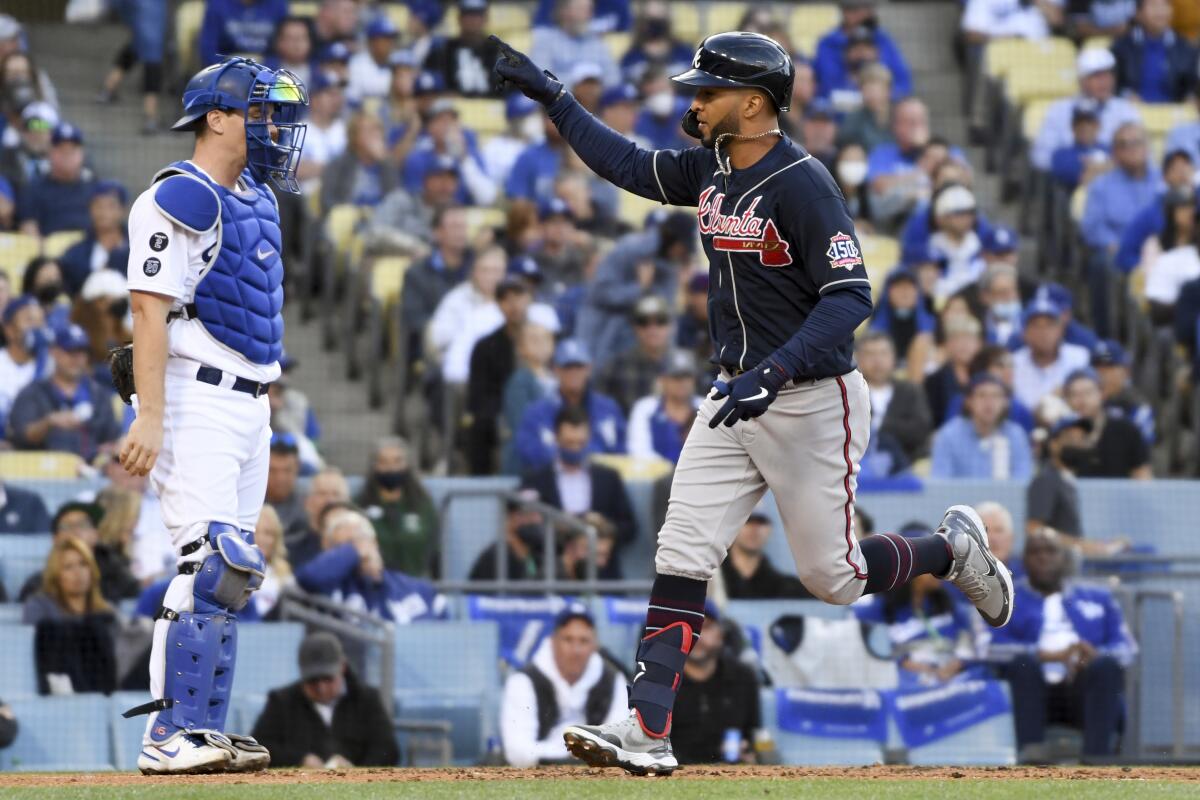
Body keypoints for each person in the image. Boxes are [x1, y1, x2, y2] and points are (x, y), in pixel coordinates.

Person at [490, 31, 1014, 775]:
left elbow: (850, 297)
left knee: (833, 579)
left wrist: (776, 368)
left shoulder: (805, 183)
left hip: (810, 399)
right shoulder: (711, 166)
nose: (695, 102)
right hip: (735, 393)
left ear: (756, 103)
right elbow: (630, 166)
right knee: (681, 551)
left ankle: (950, 551)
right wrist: (558, 100)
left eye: (707, 91)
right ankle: (648, 730)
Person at [116, 56, 309, 774]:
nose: (276, 126)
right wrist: (151, 417)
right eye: (261, 111)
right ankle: (168, 733)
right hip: (195, 395)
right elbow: (147, 309)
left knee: (235, 569)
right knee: (208, 560)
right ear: (218, 117)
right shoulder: (179, 196)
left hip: (251, 401)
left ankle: (203, 728)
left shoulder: (257, 195)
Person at [989, 530, 1136, 761]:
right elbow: (989, 649)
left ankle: (1097, 763)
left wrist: (1095, 655)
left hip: (1081, 687)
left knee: (1105, 666)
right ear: (1024, 560)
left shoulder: (1099, 598)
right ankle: (1031, 759)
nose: (1043, 557)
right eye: (1035, 552)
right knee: (1023, 664)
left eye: (1050, 551)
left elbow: (1127, 649)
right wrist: (1044, 655)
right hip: (1030, 692)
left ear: (1065, 559)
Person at [501, 602, 625, 767]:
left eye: (584, 641)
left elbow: (621, 743)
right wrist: (573, 756)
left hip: (596, 779)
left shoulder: (613, 680)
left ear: (594, 646)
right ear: (553, 641)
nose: (576, 650)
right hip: (536, 779)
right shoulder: (523, 681)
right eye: (568, 639)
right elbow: (517, 751)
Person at [519, 406, 637, 578]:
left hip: (604, 577)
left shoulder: (608, 478)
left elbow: (630, 527)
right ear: (556, 438)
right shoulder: (537, 480)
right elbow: (523, 526)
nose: (574, 448)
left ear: (589, 439)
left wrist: (602, 529)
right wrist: (558, 528)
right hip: (555, 574)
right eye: (569, 442)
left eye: (580, 443)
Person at [251, 631, 400, 768]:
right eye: (313, 680)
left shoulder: (367, 700)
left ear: (342, 667)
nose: (321, 688)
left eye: (327, 679)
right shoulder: (281, 702)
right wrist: (299, 760)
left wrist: (357, 771)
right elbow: (259, 747)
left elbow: (388, 749)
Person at [855, 524, 978, 687]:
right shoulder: (874, 612)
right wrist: (906, 665)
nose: (944, 568)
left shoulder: (951, 605)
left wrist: (956, 665)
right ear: (911, 568)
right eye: (934, 561)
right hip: (905, 690)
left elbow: (970, 646)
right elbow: (869, 658)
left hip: (952, 685)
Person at [295, 508, 446, 623]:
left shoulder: (415, 588)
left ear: (374, 542)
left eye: (361, 540)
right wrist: (353, 551)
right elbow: (308, 577)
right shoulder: (331, 590)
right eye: (344, 546)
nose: (360, 551)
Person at [7, 324, 122, 461]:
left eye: (81, 352)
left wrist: (110, 448)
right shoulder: (33, 392)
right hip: (42, 474)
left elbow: (112, 438)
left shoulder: (98, 394)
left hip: (90, 474)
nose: (77, 359)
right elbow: (20, 437)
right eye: (70, 351)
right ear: (54, 352)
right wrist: (48, 423)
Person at [21, 535, 119, 694]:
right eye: (68, 567)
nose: (78, 573)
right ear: (56, 575)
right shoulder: (38, 607)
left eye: (83, 564)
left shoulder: (107, 611)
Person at [669, 601, 761, 764]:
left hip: (732, 776)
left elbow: (754, 735)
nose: (697, 636)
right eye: (688, 628)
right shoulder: (660, 680)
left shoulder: (743, 677)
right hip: (672, 774)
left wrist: (751, 754)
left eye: (706, 627)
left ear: (721, 634)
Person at [515, 339, 626, 471]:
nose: (573, 373)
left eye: (578, 367)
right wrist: (582, 456)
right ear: (556, 370)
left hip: (599, 483)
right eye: (567, 367)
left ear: (589, 369)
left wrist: (573, 453)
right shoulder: (536, 412)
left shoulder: (609, 409)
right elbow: (528, 451)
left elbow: (623, 450)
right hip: (553, 483)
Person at [1030, 48, 1142, 173]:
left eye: (1108, 75)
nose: (1104, 82)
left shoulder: (1125, 110)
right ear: (1081, 80)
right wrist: (1077, 163)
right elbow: (1040, 157)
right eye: (1096, 76)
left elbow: (1142, 155)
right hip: (1068, 182)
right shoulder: (1059, 110)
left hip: (1116, 180)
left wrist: (1107, 163)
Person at [354, 437, 438, 577]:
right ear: (374, 466)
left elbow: (435, 550)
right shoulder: (359, 505)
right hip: (373, 585)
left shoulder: (422, 505)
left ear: (407, 465)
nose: (391, 468)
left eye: (397, 461)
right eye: (384, 462)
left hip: (414, 584)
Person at [931, 373, 1034, 480]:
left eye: (996, 396)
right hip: (958, 496)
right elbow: (941, 481)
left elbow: (1022, 483)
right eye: (981, 395)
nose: (989, 403)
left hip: (1004, 496)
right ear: (969, 401)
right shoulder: (949, 435)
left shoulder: (1016, 435)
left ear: (1006, 403)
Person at [857, 331, 933, 464]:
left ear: (893, 357)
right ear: (858, 359)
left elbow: (921, 429)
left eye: (883, 353)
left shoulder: (910, 391)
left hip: (908, 463)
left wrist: (880, 426)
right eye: (870, 354)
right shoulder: (850, 393)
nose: (877, 361)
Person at [813, 0, 913, 101]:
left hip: (879, 107)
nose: (864, 13)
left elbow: (903, 85)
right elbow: (825, 86)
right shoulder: (828, 43)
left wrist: (875, 61)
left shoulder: (882, 39)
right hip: (838, 108)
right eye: (856, 9)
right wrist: (849, 64)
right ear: (845, 12)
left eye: (868, 8)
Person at [1062, 369, 1152, 478]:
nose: (1081, 400)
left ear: (1102, 394)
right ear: (1067, 399)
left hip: (1120, 493)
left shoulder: (1125, 430)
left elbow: (1142, 474)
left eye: (1088, 393)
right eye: (1074, 394)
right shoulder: (1061, 435)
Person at [17, 122, 96, 238]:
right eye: (61, 150)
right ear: (50, 153)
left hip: (87, 251)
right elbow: (28, 226)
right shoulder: (34, 188)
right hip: (50, 252)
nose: (67, 155)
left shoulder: (93, 187)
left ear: (81, 154)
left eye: (72, 150)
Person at [1011, 297, 1092, 411]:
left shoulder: (1079, 357)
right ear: (1024, 333)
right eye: (1036, 326)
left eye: (1049, 325)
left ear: (1060, 330)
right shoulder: (1013, 363)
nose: (1043, 332)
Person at [1111, 0, 1197, 103]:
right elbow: (1114, 83)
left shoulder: (1184, 47)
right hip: (1133, 112)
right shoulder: (1122, 46)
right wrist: (1126, 95)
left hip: (1175, 111)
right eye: (1153, 5)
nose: (1160, 11)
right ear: (1138, 13)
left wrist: (1190, 97)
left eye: (1165, 4)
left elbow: (1191, 85)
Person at [627, 350, 702, 465]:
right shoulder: (645, 408)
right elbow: (639, 451)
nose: (682, 383)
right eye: (676, 377)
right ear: (663, 379)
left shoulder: (706, 406)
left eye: (687, 377)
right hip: (655, 477)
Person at [59, 181, 130, 297]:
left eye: (111, 206)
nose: (104, 212)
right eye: (98, 206)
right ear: (90, 209)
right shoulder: (75, 253)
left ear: (123, 210)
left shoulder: (138, 248)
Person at [530, 0, 619, 90]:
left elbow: (614, 79)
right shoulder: (546, 42)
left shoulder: (597, 43)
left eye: (589, 10)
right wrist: (577, 85)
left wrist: (594, 88)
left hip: (598, 100)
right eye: (581, 9)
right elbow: (540, 79)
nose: (588, 15)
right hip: (560, 100)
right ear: (564, 12)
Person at [719, 513, 811, 599]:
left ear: (770, 529)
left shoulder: (788, 588)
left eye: (761, 522)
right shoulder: (711, 581)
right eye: (747, 520)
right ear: (732, 527)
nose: (754, 529)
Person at [1025, 415, 1089, 540]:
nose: (1077, 445)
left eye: (1081, 439)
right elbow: (1035, 530)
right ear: (1053, 444)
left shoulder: (1067, 479)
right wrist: (1088, 548)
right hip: (1055, 558)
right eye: (1070, 439)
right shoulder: (1045, 480)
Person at [423, 0, 502, 97]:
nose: (472, 20)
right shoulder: (443, 50)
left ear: (485, 19)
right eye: (468, 15)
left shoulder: (498, 52)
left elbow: (510, 89)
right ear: (459, 18)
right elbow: (429, 84)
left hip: (494, 109)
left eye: (477, 15)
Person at [469, 489, 548, 582]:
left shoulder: (538, 554)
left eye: (538, 513)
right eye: (527, 513)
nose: (535, 519)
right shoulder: (495, 557)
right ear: (509, 518)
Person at [0, 295, 50, 430]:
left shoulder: (52, 366)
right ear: (9, 330)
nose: (36, 327)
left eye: (40, 321)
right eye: (29, 320)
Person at [1091, 339, 1154, 444]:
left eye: (1108, 367)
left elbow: (1143, 448)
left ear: (1126, 371)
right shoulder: (1084, 400)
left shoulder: (1137, 405)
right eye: (1097, 367)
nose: (1101, 374)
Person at [290, 467, 351, 569]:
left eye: (336, 494)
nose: (330, 501)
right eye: (322, 494)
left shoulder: (361, 544)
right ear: (308, 502)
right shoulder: (293, 550)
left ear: (348, 503)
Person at [198, 0, 289, 68]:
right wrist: (229, 67)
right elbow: (208, 49)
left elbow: (284, 46)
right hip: (225, 69)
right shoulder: (217, 4)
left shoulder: (278, 4)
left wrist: (267, 67)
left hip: (268, 69)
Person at [1048, 102, 1110, 192]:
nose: (1084, 127)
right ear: (1072, 126)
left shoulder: (1111, 149)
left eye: (1089, 122)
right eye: (1079, 122)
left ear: (1098, 126)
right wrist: (1108, 166)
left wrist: (1095, 168)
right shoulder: (1061, 155)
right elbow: (1081, 178)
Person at [250, 504, 292, 619]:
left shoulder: (284, 573)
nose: (261, 539)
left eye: (268, 533)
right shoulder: (234, 569)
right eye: (255, 532)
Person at [346, 15, 398, 105]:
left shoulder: (397, 63)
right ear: (372, 41)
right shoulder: (357, 65)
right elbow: (351, 100)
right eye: (385, 39)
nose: (390, 43)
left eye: (392, 39)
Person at [975, 501, 1022, 580]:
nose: (992, 538)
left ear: (1011, 537)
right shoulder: (955, 582)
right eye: (985, 531)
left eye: (999, 530)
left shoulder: (1031, 577)